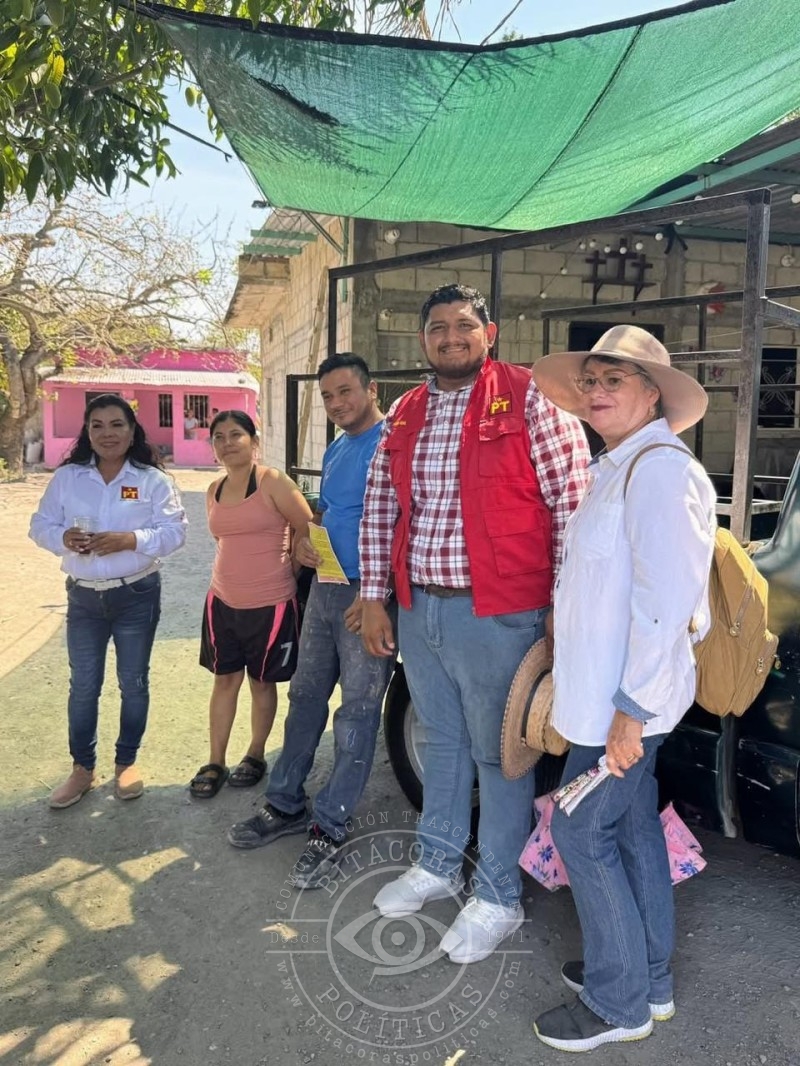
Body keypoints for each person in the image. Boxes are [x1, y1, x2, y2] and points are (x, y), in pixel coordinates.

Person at [359, 284, 590, 963]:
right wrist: (374, 596)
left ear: (489, 333)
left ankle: (497, 896)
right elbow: (381, 506)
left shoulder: (530, 397)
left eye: (464, 325)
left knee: (500, 753)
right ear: (423, 339)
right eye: (438, 327)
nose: (451, 337)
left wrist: (565, 607)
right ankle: (437, 863)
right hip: (421, 605)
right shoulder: (405, 410)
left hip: (503, 612)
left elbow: (572, 505)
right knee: (443, 741)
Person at [528, 325, 716, 1052]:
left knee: (579, 831)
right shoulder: (619, 466)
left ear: (652, 395)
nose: (597, 391)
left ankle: (618, 1002)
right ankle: (649, 977)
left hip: (628, 708)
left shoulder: (661, 472)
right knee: (631, 829)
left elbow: (666, 605)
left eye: (615, 379)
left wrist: (631, 713)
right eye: (591, 380)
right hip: (607, 704)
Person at [227, 353, 396, 890]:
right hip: (325, 587)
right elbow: (328, 511)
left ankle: (330, 825)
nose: (337, 403)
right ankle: (285, 803)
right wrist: (307, 539)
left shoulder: (393, 445)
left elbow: (404, 523)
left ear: (371, 390)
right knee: (304, 697)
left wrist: (376, 595)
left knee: (357, 713)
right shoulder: (339, 446)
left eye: (346, 391)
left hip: (367, 597)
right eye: (327, 396)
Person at [29, 394, 187, 808]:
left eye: (117, 424)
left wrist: (130, 539)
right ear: (87, 432)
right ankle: (82, 769)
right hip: (83, 597)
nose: (107, 434)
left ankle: (126, 763)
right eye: (97, 425)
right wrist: (62, 537)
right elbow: (40, 524)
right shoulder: (69, 478)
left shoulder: (152, 481)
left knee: (133, 682)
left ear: (132, 431)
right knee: (83, 685)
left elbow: (174, 532)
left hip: (136, 594)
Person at [190, 410, 313, 798]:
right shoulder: (214, 490)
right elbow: (223, 541)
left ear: (254, 442)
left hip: (270, 604)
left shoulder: (272, 481)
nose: (227, 443)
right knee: (224, 680)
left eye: (236, 435)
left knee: (262, 683)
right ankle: (215, 760)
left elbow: (306, 524)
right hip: (222, 601)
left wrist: (292, 566)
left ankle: (255, 754)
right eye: (219, 436)